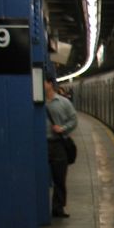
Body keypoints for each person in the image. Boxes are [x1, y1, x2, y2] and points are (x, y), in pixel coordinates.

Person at [44, 75, 78, 218]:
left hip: (58, 144)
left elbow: (73, 120)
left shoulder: (63, 103)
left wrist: (63, 128)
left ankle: (58, 208)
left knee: (59, 178)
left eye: (43, 82)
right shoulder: (36, 104)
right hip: (41, 144)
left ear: (50, 84)